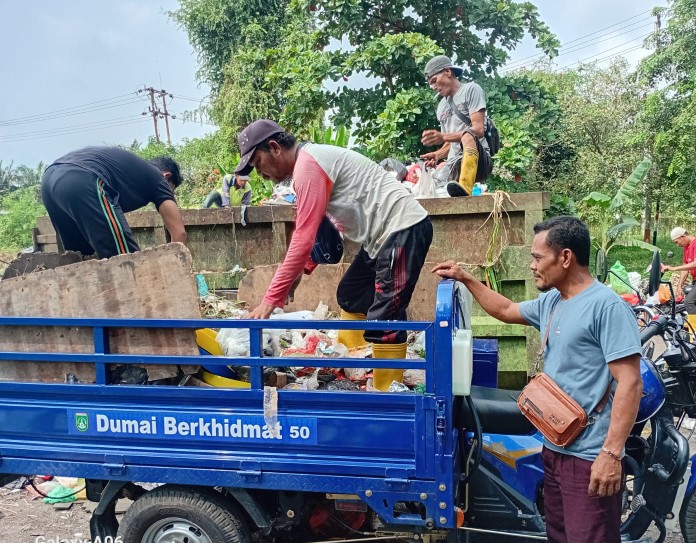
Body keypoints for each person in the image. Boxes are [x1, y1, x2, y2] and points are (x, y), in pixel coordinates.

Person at [432, 216, 642, 543]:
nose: (531, 264)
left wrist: (611, 454)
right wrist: (465, 278)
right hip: (556, 446)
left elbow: (630, 382)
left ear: (564, 257)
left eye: (537, 257)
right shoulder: (551, 301)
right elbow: (507, 310)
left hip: (590, 457)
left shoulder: (605, 307)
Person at [236, 119, 433, 391]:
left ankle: (388, 395)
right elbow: (319, 229)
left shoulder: (308, 166)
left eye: (258, 163)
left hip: (402, 229)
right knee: (350, 294)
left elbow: (303, 238)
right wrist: (299, 273)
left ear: (274, 148)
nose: (260, 173)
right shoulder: (309, 164)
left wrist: (270, 301)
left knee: (385, 319)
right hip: (382, 236)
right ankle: (353, 366)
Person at [41, 146, 187, 259]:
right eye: (171, 190)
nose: (168, 194)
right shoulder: (158, 178)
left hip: (49, 181)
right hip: (84, 177)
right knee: (126, 262)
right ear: (167, 175)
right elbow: (179, 234)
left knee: (83, 259)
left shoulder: (129, 172)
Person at [420, 55, 492, 197]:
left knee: (468, 134)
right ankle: (458, 188)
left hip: (479, 162)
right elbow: (449, 143)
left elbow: (478, 130)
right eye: (431, 84)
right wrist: (437, 154)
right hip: (454, 164)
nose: (434, 87)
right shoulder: (441, 106)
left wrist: (442, 136)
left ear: (447, 71)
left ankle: (465, 186)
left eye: (434, 81)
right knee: (434, 186)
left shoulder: (471, 89)